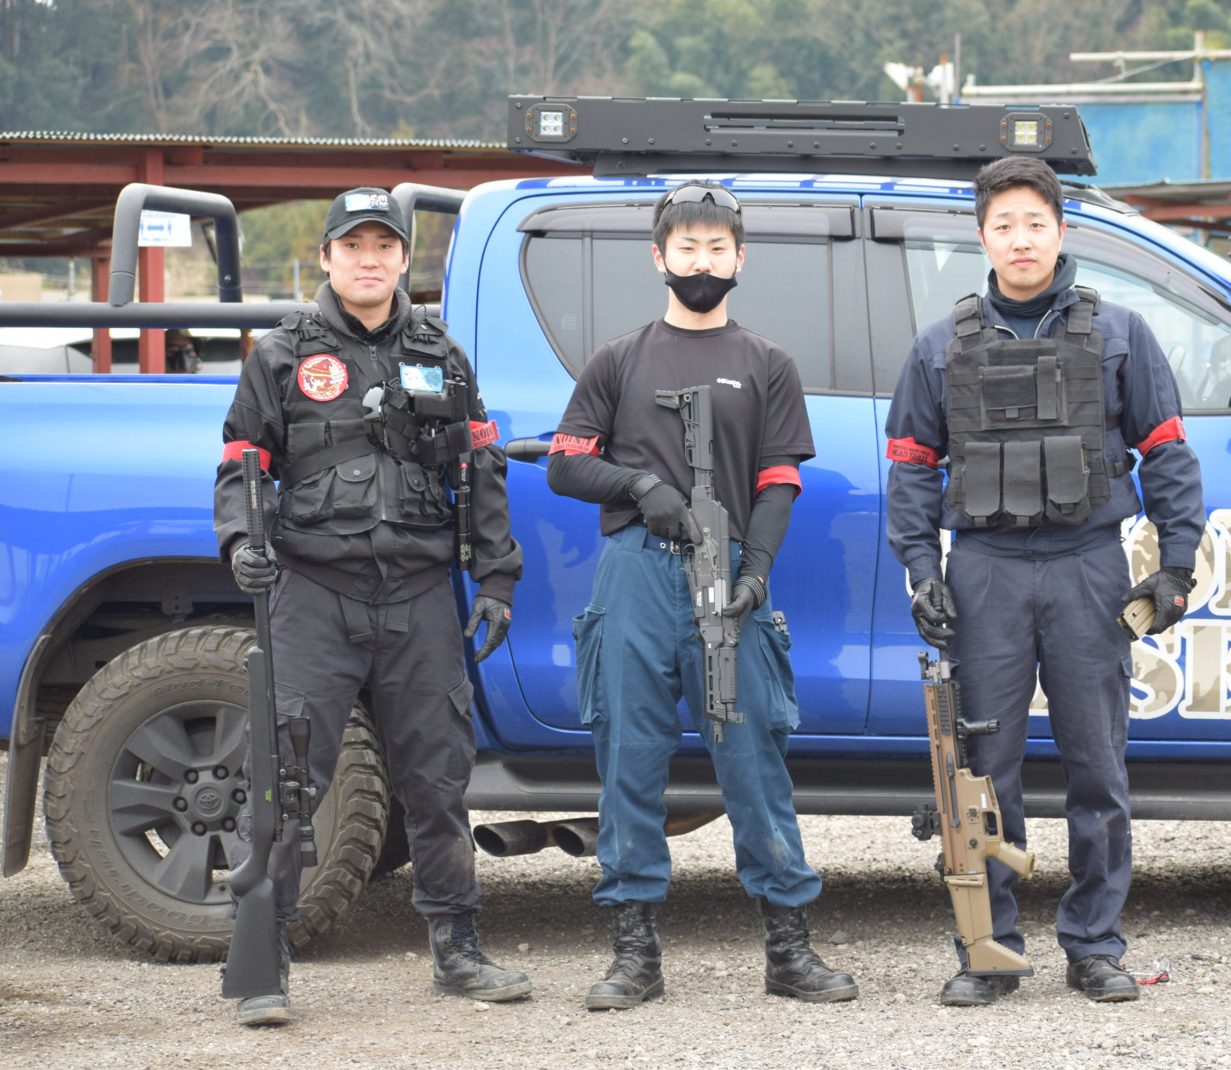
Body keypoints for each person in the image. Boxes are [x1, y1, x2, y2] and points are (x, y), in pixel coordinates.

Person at [883, 157, 1205, 1006]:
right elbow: (911, 469)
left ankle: (1095, 946)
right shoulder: (938, 347)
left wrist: (1177, 564)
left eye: (1035, 223)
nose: (1021, 240)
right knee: (982, 775)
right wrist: (922, 570)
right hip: (984, 573)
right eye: (1004, 225)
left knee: (1098, 768)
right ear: (982, 237)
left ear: (1061, 232)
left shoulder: (1123, 335)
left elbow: (1167, 454)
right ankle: (987, 950)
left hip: (1088, 569)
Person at [214, 187, 529, 1026]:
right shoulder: (281, 354)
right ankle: (264, 961)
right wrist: (241, 542)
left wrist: (497, 577)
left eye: (384, 245)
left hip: (419, 595)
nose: (369, 259)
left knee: (438, 778)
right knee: (285, 781)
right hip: (313, 594)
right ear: (326, 257)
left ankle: (457, 949)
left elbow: (481, 468)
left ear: (401, 259)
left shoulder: (440, 353)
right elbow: (242, 464)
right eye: (352, 245)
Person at [546, 180, 858, 1011]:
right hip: (637, 574)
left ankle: (789, 950)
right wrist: (640, 486)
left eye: (717, 248)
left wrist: (757, 572)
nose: (702, 262)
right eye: (687, 247)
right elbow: (566, 462)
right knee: (628, 760)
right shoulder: (619, 359)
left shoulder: (767, 363)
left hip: (731, 578)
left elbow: (778, 481)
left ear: (740, 258)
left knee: (754, 761)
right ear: (659, 257)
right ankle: (633, 956)